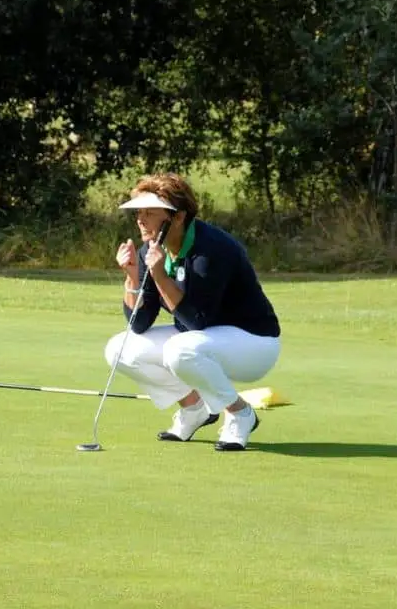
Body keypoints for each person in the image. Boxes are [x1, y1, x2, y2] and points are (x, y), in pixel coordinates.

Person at [104, 173, 281, 451]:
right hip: (202, 339)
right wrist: (132, 278)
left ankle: (239, 413)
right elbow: (139, 324)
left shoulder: (211, 249)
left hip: (254, 343)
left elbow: (196, 320)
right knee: (120, 348)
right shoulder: (150, 250)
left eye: (150, 213)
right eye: (139, 212)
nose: (141, 220)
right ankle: (194, 408)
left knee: (180, 349)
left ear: (177, 217)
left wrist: (160, 275)